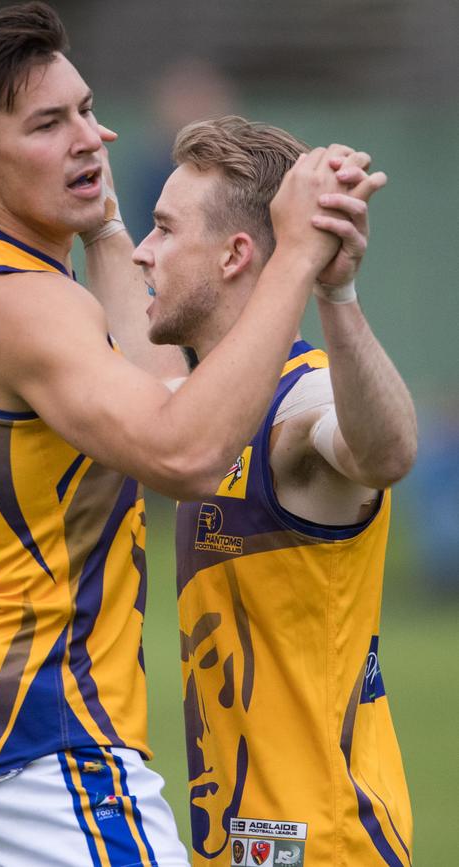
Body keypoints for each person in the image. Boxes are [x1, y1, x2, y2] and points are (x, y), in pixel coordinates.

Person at [0, 3, 382, 864]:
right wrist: (296, 259)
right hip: (46, 731)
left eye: (84, 108)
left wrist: (107, 227)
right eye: (48, 124)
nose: (90, 138)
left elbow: (156, 389)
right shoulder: (26, 304)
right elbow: (184, 450)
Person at [129, 116, 417, 865]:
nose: (142, 250)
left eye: (162, 229)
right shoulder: (206, 414)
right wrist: (92, 216)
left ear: (233, 254)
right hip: (244, 847)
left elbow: (383, 451)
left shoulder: (298, 402)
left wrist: (339, 294)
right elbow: (139, 380)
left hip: (325, 844)